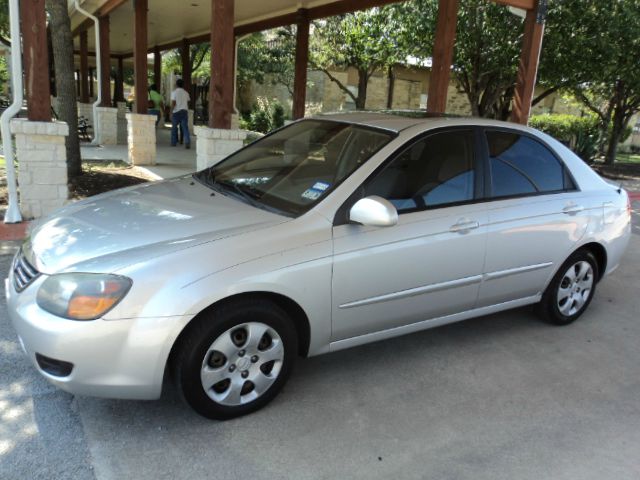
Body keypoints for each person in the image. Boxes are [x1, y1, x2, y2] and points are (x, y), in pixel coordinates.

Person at [171, 79, 191, 149]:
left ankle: (173, 142)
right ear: (183, 85)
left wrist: (171, 111)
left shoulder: (174, 92)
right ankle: (187, 141)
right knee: (185, 127)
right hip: (184, 111)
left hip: (176, 112)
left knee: (174, 127)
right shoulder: (186, 93)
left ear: (176, 85)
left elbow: (173, 103)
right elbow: (188, 102)